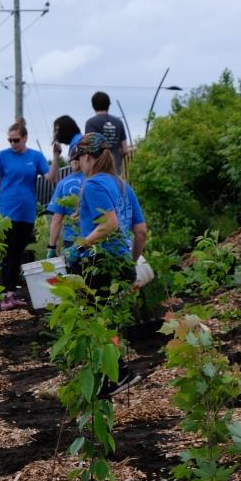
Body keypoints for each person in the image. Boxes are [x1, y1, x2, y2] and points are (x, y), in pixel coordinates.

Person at [64, 133, 141, 396]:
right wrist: (130, 263)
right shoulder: (122, 186)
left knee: (93, 321)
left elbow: (110, 223)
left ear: (87, 157)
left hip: (98, 263)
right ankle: (113, 375)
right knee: (107, 321)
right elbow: (141, 231)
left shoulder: (94, 184)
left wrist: (80, 245)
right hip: (120, 262)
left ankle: (116, 374)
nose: (79, 166)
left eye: (79, 160)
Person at [0, 118, 57, 310]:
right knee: (8, 254)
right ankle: (4, 295)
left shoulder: (35, 156)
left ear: (25, 138)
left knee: (18, 254)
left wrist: (55, 156)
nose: (12, 143)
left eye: (16, 140)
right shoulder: (2, 157)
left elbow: (51, 177)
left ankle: (10, 293)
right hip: (6, 214)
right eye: (10, 140)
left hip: (26, 213)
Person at [84, 91, 129, 177]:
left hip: (98, 171)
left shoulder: (90, 123)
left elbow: (89, 149)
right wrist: (116, 157)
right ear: (109, 105)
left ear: (93, 106)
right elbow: (125, 150)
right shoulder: (118, 122)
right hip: (116, 170)